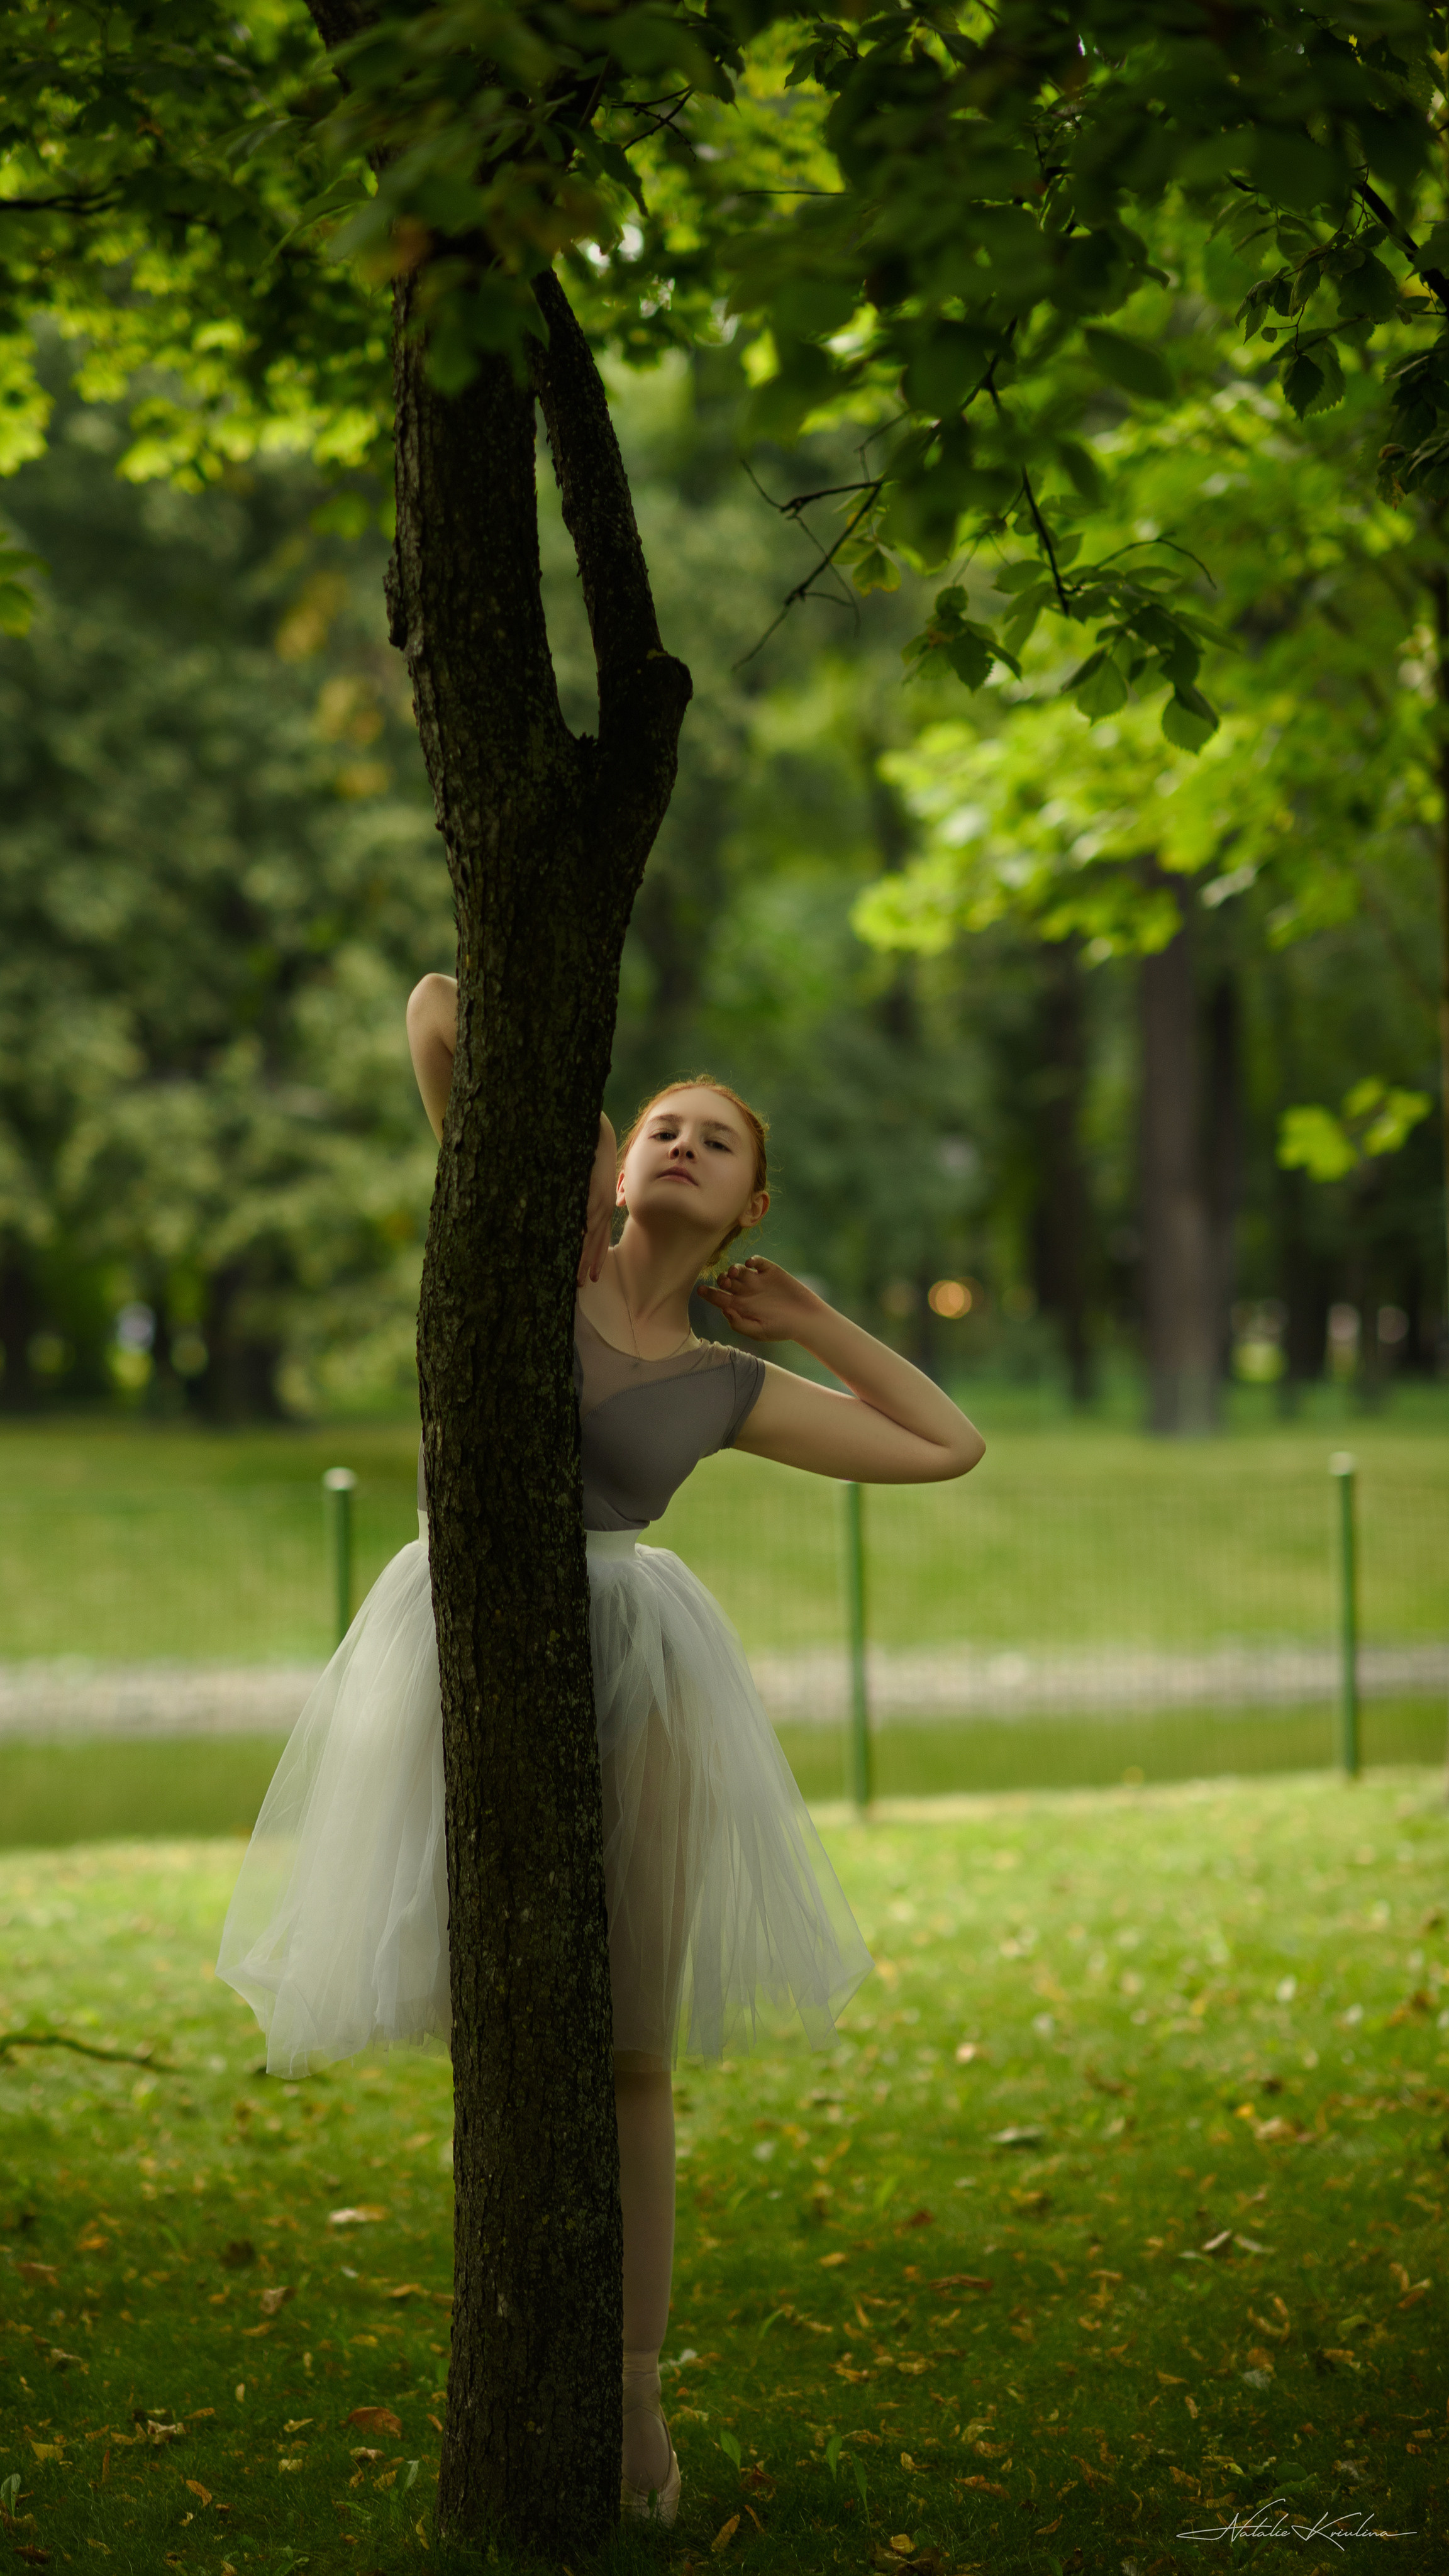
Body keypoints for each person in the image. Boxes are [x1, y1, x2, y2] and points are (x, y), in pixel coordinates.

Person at [218, 972, 985, 2526]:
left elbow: (942, 1443)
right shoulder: (526, 1241)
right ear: (620, 1162)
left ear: (752, 1194)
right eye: (663, 1126)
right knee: (493, 2005)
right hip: (467, 1634)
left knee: (633, 2041)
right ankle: (495, 2336)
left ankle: (633, 2389)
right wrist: (574, 1145)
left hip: (644, 1660)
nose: (684, 1145)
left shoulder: (725, 1384)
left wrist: (812, 1316)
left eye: (717, 1139)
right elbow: (440, 1007)